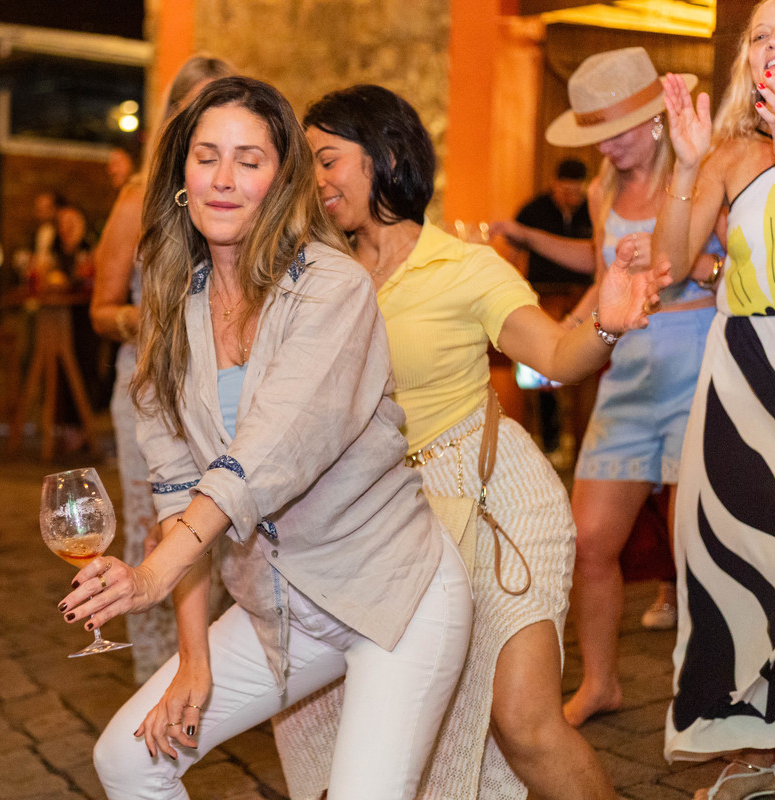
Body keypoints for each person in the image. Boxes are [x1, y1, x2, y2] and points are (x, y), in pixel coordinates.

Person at [62, 74, 474, 800]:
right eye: (207, 157)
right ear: (182, 175)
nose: (223, 179)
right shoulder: (171, 307)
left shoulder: (332, 288)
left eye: (248, 161)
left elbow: (259, 460)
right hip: (278, 608)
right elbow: (177, 492)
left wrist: (151, 577)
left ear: (282, 181)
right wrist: (194, 659)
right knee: (129, 760)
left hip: (393, 598)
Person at [269, 84, 668, 800]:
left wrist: (605, 325)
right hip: (387, 520)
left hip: (492, 501)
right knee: (353, 730)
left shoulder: (463, 266)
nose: (315, 179)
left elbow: (555, 355)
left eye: (327, 160)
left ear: (387, 157)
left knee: (524, 722)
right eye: (309, 164)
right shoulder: (320, 276)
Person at [546, 48, 721, 728]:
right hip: (627, 374)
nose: (606, 148)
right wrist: (565, 332)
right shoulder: (601, 192)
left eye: (615, 130)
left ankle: (711, 691)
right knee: (589, 540)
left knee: (695, 545)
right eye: (595, 134)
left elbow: (739, 269)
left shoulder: (701, 171)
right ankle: (600, 683)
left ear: (652, 120)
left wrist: (692, 264)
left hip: (694, 361)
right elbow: (604, 282)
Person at [652, 1, 775, 794]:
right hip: (743, 375)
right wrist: (685, 166)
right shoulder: (732, 152)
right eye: (763, 35)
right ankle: (763, 746)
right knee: (734, 559)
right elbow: (672, 265)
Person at [91, 54, 236, 683]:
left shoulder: (242, 198)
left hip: (228, 389)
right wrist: (152, 321)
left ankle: (216, 669)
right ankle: (156, 674)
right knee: (156, 528)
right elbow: (100, 310)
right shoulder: (137, 199)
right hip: (152, 386)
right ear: (174, 114)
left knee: (225, 523)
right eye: (194, 105)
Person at [492, 158, 596, 460]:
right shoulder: (532, 211)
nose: (572, 197)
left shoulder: (593, 209)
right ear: (554, 185)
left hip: (583, 299)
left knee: (585, 370)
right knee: (541, 371)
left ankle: (582, 447)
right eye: (566, 191)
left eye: (577, 192)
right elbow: (511, 257)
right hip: (544, 300)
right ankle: (547, 443)